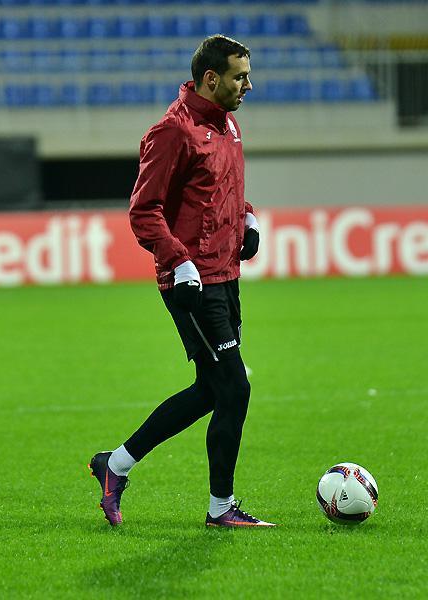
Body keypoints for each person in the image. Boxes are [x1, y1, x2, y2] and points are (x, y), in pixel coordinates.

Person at [89, 35, 274, 528]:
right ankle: (221, 509)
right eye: (240, 77)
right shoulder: (173, 131)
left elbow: (221, 190)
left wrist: (248, 217)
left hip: (225, 276)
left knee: (212, 390)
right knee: (234, 388)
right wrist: (179, 261)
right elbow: (143, 211)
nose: (248, 86)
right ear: (211, 78)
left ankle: (115, 464)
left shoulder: (228, 124)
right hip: (193, 282)